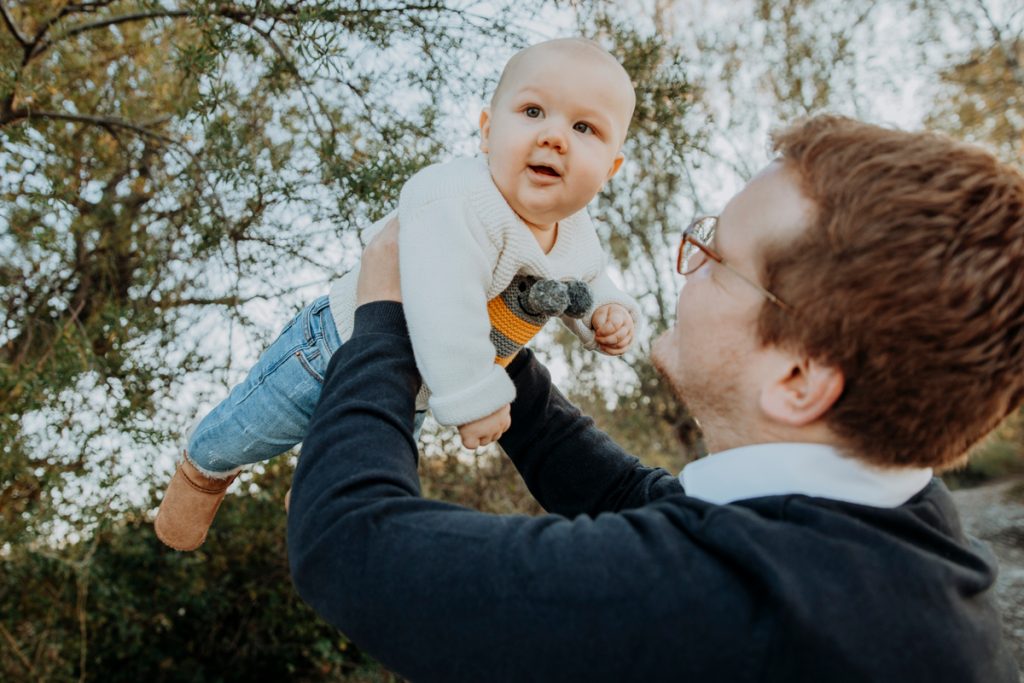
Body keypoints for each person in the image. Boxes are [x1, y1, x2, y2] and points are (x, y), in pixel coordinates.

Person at [286, 114, 1023, 682]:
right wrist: (486, 341)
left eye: (713, 256)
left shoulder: (729, 609)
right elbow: (639, 499)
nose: (685, 268)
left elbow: (348, 542)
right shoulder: (896, 525)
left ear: (799, 379)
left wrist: (382, 314)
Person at [154, 37, 643, 551]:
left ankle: (319, 487)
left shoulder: (576, 230)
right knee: (246, 431)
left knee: (362, 464)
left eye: (583, 127)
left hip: (412, 387)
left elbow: (586, 278)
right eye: (533, 110)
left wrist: (607, 312)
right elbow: (444, 303)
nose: (554, 137)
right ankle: (201, 472)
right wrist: (476, 394)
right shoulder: (457, 198)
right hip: (330, 348)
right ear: (487, 130)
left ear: (610, 168)